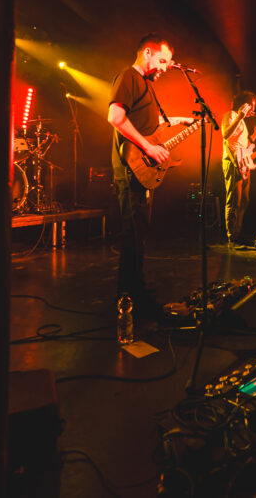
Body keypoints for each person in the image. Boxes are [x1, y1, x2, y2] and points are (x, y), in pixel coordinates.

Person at [107, 34, 195, 321]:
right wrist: (148, 148)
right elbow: (116, 117)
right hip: (131, 167)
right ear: (147, 52)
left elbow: (147, 122)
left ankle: (136, 293)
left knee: (139, 235)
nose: (166, 68)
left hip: (142, 170)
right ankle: (130, 299)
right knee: (132, 235)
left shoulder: (145, 85)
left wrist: (180, 120)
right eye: (163, 61)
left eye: (169, 63)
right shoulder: (128, 77)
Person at [222, 91, 256, 246]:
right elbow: (226, 135)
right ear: (243, 104)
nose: (253, 108)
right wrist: (239, 116)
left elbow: (244, 145)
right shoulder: (231, 115)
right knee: (234, 201)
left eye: (254, 106)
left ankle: (237, 231)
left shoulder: (242, 121)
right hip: (233, 161)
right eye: (251, 105)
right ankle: (232, 235)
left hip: (243, 162)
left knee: (244, 200)